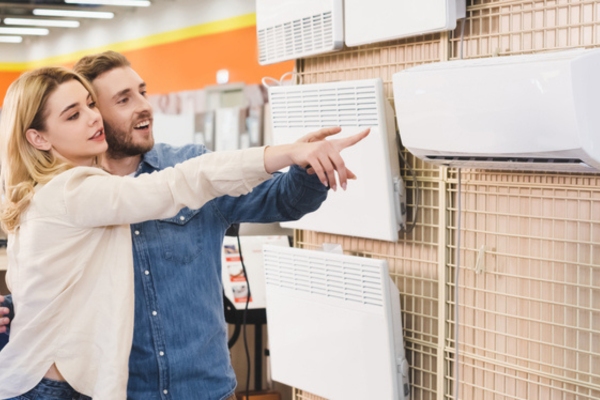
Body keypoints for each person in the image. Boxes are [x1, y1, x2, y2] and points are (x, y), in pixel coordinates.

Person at [0, 53, 368, 400]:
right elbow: (179, 185)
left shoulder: (184, 163)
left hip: (202, 386)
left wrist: (307, 166)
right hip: (121, 389)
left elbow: (283, 200)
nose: (144, 106)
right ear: (40, 136)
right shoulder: (75, 191)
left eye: (142, 92)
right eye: (123, 100)